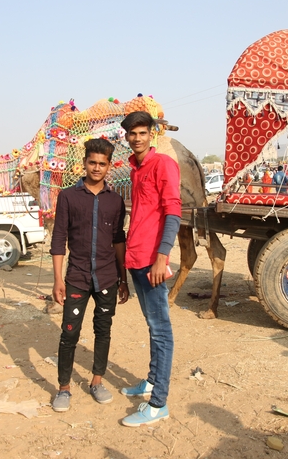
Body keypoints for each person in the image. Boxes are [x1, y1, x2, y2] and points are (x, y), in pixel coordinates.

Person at [49, 138, 130, 412]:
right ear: (84, 163)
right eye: (92, 162)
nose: (97, 168)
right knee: (69, 333)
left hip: (107, 277)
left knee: (103, 330)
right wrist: (58, 279)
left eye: (102, 164)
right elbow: (59, 238)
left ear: (109, 166)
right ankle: (63, 388)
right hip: (77, 277)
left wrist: (123, 279)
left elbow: (119, 240)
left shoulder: (115, 201)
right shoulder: (69, 197)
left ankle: (97, 381)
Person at [119, 111, 181, 427]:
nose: (138, 138)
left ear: (151, 134)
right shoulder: (135, 168)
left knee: (161, 329)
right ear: (127, 137)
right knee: (151, 324)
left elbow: (173, 213)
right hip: (136, 258)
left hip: (153, 260)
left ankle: (158, 405)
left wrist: (163, 256)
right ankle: (152, 382)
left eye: (143, 132)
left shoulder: (163, 165)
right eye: (133, 134)